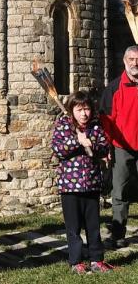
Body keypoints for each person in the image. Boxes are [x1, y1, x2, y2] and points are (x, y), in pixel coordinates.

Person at [52, 91, 113, 274]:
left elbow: (104, 147)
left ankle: (96, 259)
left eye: (86, 109)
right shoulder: (64, 125)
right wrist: (75, 141)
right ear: (72, 111)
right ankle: (76, 261)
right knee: (74, 227)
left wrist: (92, 144)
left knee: (93, 225)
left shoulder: (95, 127)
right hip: (70, 186)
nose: (84, 113)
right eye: (79, 109)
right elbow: (58, 149)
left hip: (92, 183)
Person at [100, 45, 138, 249]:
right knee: (120, 191)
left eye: (137, 59)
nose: (135, 63)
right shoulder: (114, 88)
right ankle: (118, 233)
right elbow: (106, 120)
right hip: (121, 146)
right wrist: (106, 146)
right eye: (131, 59)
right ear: (125, 61)